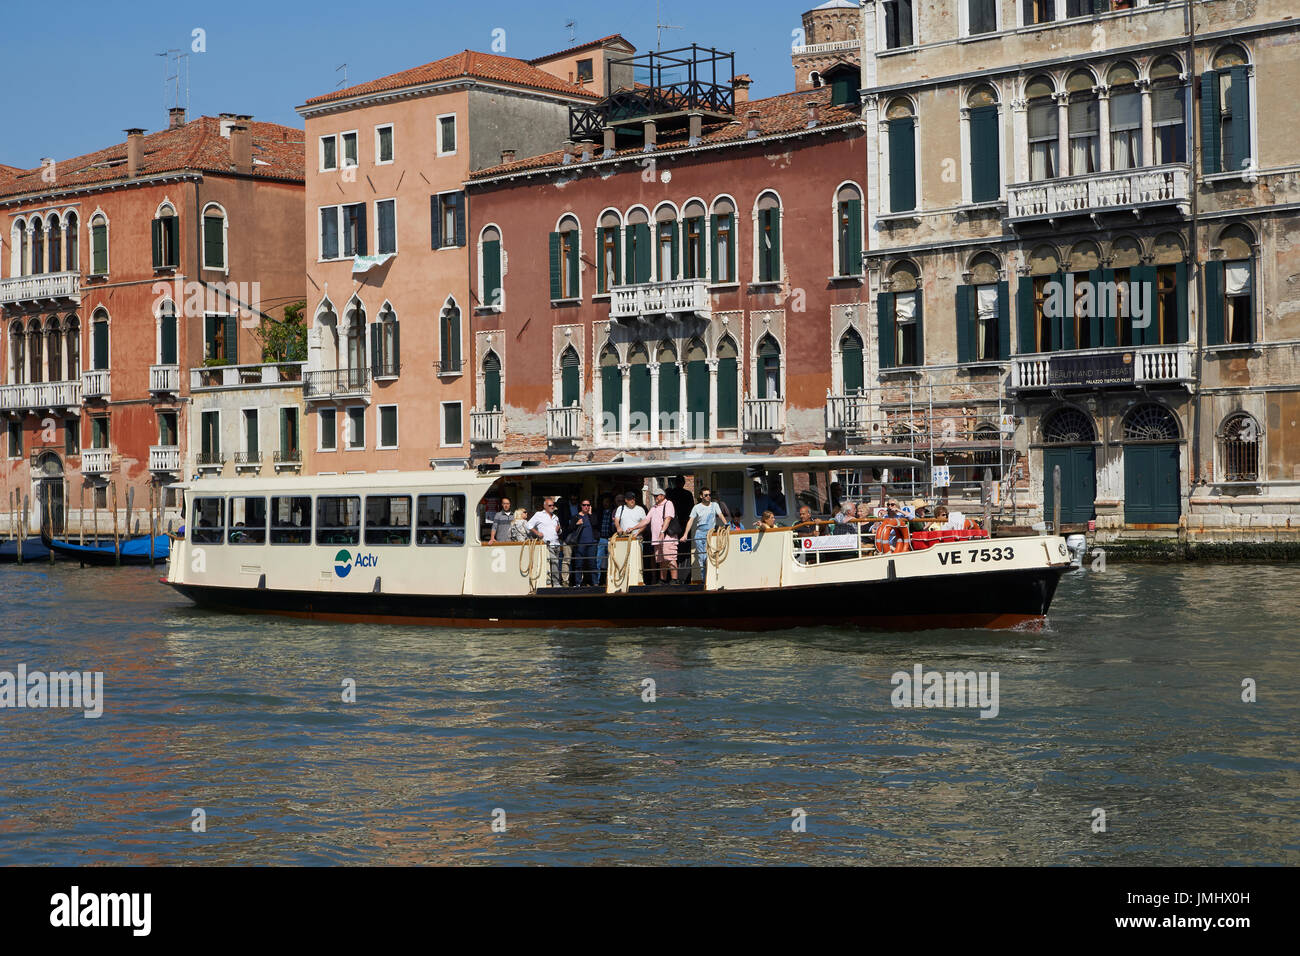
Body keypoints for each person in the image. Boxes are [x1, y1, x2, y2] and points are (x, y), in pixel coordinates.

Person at [680, 488, 724, 584]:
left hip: (711, 534)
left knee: (710, 556)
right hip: (700, 534)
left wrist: (726, 524)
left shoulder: (715, 505)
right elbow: (690, 521)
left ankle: (712, 579)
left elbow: (720, 515)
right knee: (702, 558)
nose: (708, 497)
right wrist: (685, 534)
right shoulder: (696, 507)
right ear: (701, 496)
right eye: (706, 495)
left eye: (709, 495)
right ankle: (705, 581)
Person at [636, 488, 679, 583]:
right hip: (656, 539)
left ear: (662, 496)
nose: (655, 497)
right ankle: (662, 580)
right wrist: (633, 528)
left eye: (656, 495)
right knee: (661, 560)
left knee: (670, 558)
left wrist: (662, 532)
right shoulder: (654, 507)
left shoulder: (668, 504)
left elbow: (667, 519)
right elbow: (646, 520)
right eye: (654, 495)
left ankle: (675, 580)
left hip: (667, 537)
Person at [525, 497, 563, 586]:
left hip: (556, 543)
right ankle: (555, 583)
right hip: (547, 544)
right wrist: (537, 532)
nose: (552, 507)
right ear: (545, 506)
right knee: (554, 563)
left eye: (553, 505)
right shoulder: (539, 514)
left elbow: (560, 531)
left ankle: (552, 583)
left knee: (556, 564)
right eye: (550, 505)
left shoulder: (555, 517)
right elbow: (528, 525)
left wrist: (559, 530)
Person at [567, 498, 598, 586]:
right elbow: (569, 529)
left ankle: (595, 583)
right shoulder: (576, 517)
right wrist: (576, 524)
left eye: (588, 505)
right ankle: (578, 583)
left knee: (592, 564)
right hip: (579, 544)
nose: (586, 507)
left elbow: (595, 524)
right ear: (581, 506)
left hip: (592, 543)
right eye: (584, 505)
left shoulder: (592, 515)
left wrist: (590, 514)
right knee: (578, 564)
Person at [595, 494, 616, 585]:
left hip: (611, 538)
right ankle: (598, 581)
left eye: (607, 502)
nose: (605, 503)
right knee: (598, 560)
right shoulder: (600, 512)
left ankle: (610, 581)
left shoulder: (614, 512)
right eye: (604, 502)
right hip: (601, 539)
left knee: (611, 561)